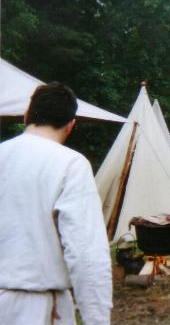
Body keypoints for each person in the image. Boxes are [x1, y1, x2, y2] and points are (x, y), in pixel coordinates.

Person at [0, 82, 112, 325]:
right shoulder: (70, 164)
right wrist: (97, 319)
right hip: (35, 311)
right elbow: (86, 253)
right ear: (71, 125)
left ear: (26, 115)